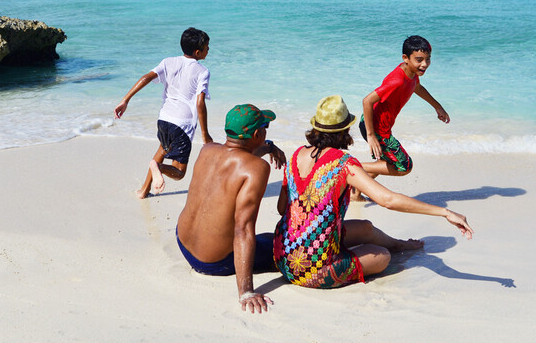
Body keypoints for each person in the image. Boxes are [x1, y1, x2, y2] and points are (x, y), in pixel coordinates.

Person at [273, 95, 472, 289]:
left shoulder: (296, 155)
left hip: (282, 256)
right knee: (382, 255)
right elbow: (388, 200)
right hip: (313, 271)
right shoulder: (343, 164)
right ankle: (375, 250)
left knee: (365, 227)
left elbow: (283, 209)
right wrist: (445, 212)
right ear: (345, 130)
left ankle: (399, 244)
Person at [175, 104, 286, 313]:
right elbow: (243, 229)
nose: (266, 132)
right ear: (256, 134)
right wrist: (246, 291)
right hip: (213, 262)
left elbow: (236, 158)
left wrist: (268, 147)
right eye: (265, 128)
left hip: (183, 241)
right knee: (282, 245)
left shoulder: (208, 149)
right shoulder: (258, 169)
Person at [114, 27, 212, 199]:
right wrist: (205, 134)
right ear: (198, 52)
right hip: (182, 125)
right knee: (180, 172)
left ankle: (144, 190)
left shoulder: (168, 62)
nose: (208, 50)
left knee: (163, 149)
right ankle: (158, 168)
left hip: (164, 119)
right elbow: (199, 103)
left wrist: (125, 100)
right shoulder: (202, 71)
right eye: (206, 47)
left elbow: (146, 78)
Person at [359, 34, 448, 180]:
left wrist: (437, 107)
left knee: (387, 160)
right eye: (419, 60)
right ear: (405, 58)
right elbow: (367, 101)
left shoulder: (412, 72)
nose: (424, 64)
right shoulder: (397, 80)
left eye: (428, 59)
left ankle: (356, 192)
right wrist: (371, 136)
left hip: (382, 125)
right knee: (404, 166)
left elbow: (417, 88)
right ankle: (351, 166)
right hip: (376, 128)